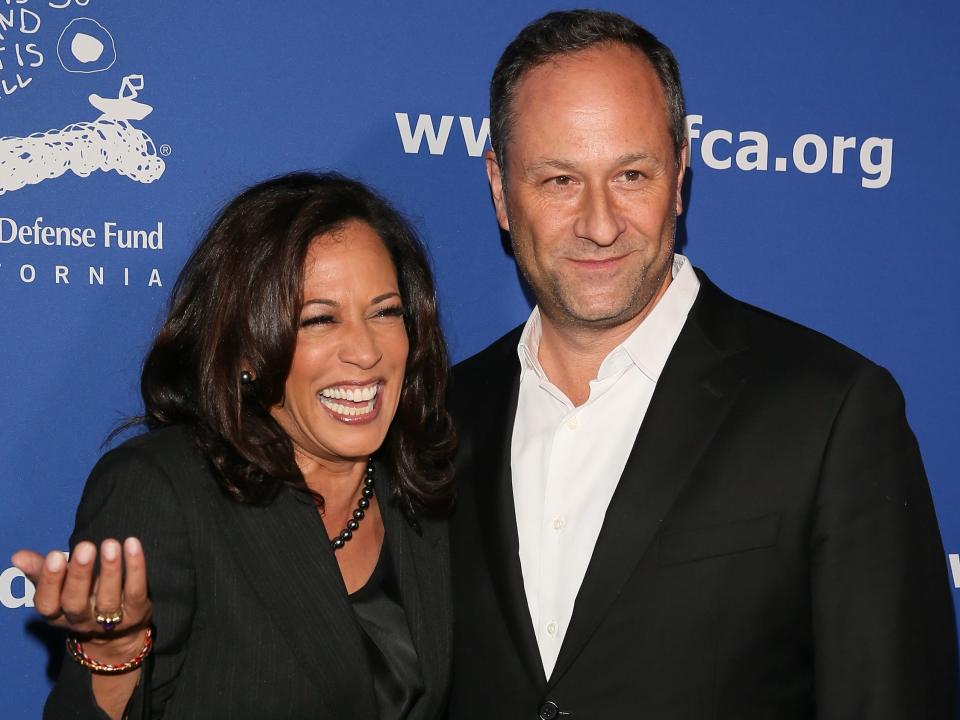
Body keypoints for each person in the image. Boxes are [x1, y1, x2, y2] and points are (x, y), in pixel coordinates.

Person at [446, 9, 956, 719]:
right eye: (559, 180)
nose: (599, 224)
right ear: (501, 189)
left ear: (680, 174)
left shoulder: (831, 412)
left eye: (631, 174)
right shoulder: (444, 414)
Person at [13, 172, 456, 720]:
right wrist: (116, 653)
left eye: (386, 312)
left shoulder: (424, 489)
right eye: (319, 319)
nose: (365, 352)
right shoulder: (163, 490)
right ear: (244, 349)